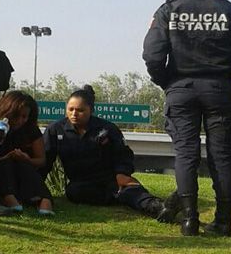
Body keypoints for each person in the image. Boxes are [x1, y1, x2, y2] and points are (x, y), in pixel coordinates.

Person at [142, 0, 231, 236]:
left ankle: (189, 220)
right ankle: (223, 221)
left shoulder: (168, 9)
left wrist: (168, 81)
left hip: (181, 87)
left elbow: (152, 54)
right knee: (221, 155)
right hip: (219, 88)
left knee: (186, 154)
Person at [43, 86, 176, 221]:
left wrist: (122, 174)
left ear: (91, 110)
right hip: (82, 184)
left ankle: (160, 207)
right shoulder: (55, 130)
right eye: (70, 109)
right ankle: (118, 197)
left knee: (130, 191)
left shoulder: (107, 128)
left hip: (112, 178)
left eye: (80, 110)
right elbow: (45, 160)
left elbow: (123, 155)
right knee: (73, 192)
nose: (74, 114)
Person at [0, 91, 54, 216]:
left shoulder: (30, 130)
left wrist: (27, 159)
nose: (20, 120)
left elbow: (41, 160)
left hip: (23, 175)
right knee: (6, 163)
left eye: (24, 117)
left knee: (22, 163)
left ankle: (44, 199)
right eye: (16, 116)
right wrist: (4, 158)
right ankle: (9, 197)